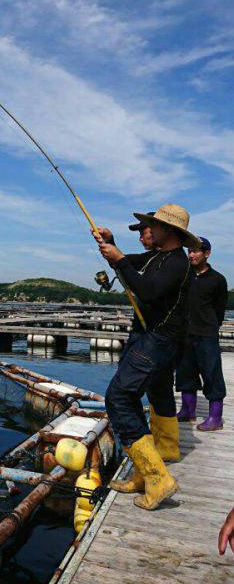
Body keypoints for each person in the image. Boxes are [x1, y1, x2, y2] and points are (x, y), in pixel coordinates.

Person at [94, 204, 200, 510]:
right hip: (154, 337)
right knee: (158, 391)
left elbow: (149, 290)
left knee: (119, 396)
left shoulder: (177, 263)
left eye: (153, 224)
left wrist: (120, 261)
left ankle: (156, 476)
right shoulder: (159, 256)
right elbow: (128, 263)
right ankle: (147, 469)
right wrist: (111, 244)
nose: (148, 229)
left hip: (158, 339)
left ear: (169, 230)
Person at [176, 237, 228, 430]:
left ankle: (216, 418)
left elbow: (219, 309)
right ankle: (188, 411)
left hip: (206, 334)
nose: (191, 254)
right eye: (189, 251)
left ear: (207, 254)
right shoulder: (184, 276)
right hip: (185, 333)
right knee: (184, 373)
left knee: (212, 374)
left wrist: (211, 326)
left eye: (196, 251)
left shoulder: (218, 279)